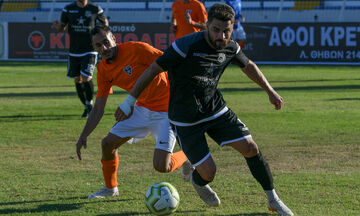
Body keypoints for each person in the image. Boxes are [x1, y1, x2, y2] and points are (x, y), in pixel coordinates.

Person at [117, 3, 294, 216]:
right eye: (216, 30)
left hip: (215, 109)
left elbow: (248, 66)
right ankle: (198, 181)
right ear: (207, 25)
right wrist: (129, 102)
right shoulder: (185, 46)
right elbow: (153, 69)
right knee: (209, 173)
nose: (221, 35)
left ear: (232, 27)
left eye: (226, 31)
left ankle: (273, 199)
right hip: (185, 118)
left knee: (250, 147)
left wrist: (270, 91)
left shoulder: (231, 47)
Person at [76, 25, 191, 198]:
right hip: (141, 109)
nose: (104, 48)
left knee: (162, 166)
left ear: (114, 38)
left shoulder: (138, 49)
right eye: (98, 45)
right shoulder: (103, 69)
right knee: (108, 144)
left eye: (106, 42)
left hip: (168, 111)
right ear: (94, 48)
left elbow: (171, 60)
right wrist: (84, 135)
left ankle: (188, 155)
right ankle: (110, 188)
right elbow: (99, 107)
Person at [51, 0, 108, 118]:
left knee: (86, 77)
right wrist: (57, 27)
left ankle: (89, 104)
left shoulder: (95, 9)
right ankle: (87, 106)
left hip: (90, 49)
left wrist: (103, 31)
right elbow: (62, 27)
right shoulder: (68, 9)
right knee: (78, 79)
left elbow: (105, 23)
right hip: (74, 51)